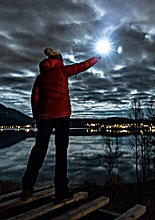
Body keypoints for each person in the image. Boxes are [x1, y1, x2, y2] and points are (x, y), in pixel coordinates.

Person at [22, 47, 99, 202]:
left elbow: (35, 99)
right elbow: (82, 66)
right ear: (59, 60)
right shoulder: (63, 71)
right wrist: (96, 58)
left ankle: (27, 187)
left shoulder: (40, 78)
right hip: (63, 115)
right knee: (61, 152)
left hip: (44, 117)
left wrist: (37, 117)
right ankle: (61, 191)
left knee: (39, 150)